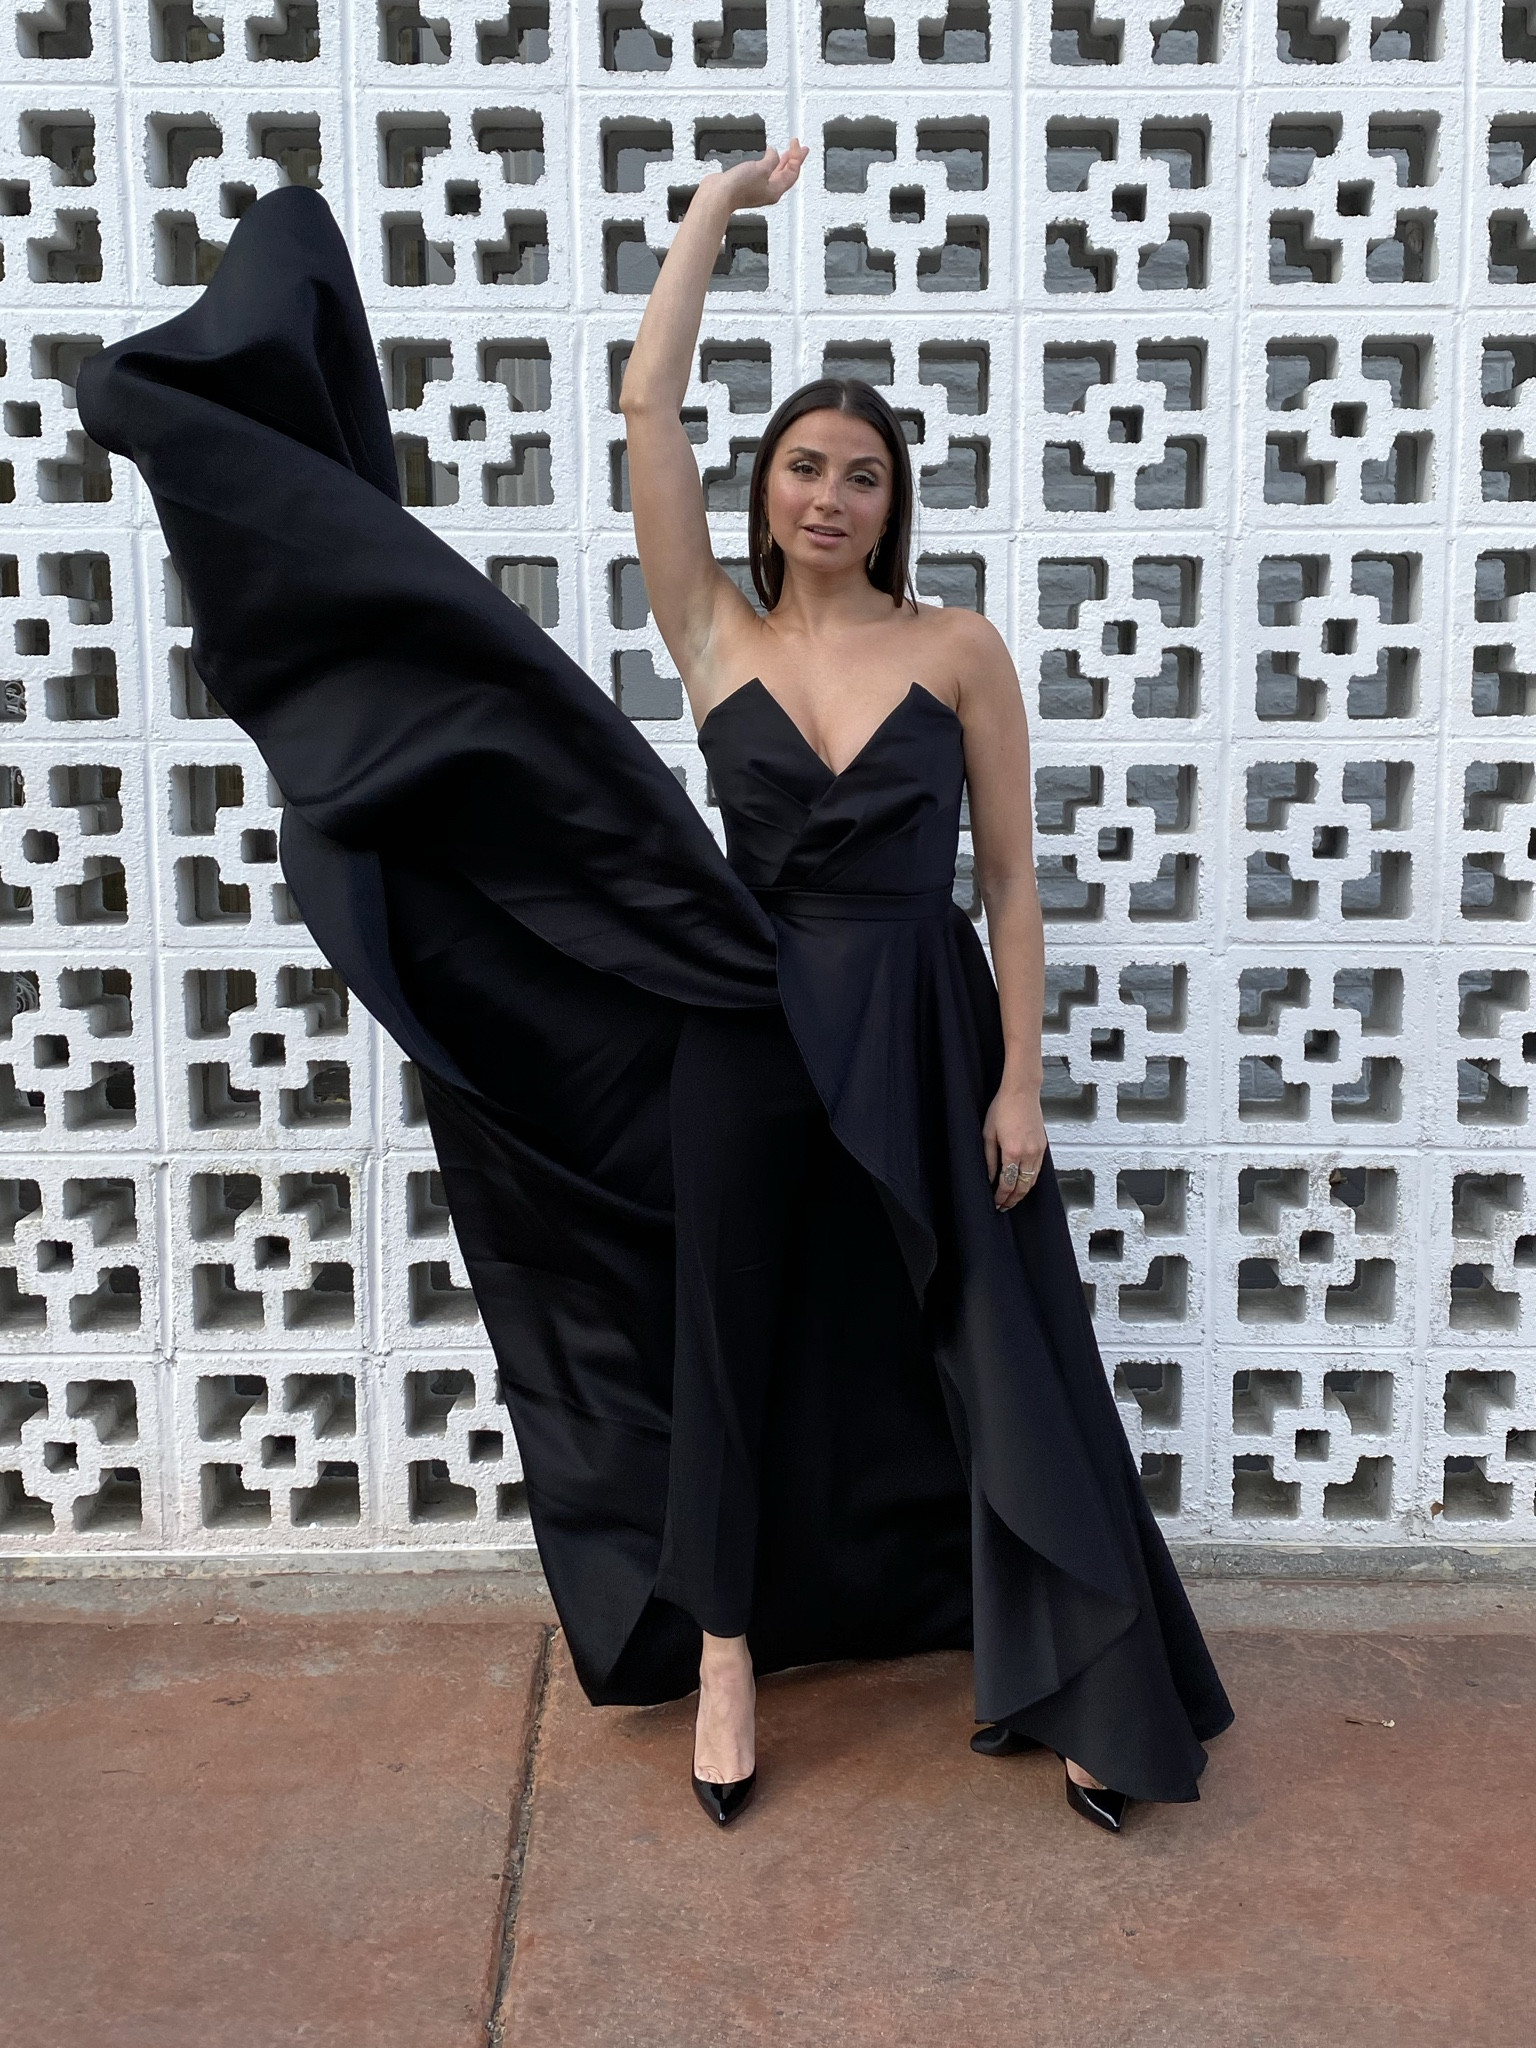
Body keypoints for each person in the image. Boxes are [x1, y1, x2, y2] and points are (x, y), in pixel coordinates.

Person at [78, 153, 1232, 1840]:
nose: (830, 497)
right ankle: (727, 1662)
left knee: (1002, 1351)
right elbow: (645, 408)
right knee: (729, 1347)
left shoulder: (962, 649)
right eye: (804, 468)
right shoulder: (714, 634)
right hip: (745, 1024)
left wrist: (1019, 1081)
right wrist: (709, 217)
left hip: (923, 1028)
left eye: (862, 476)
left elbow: (1008, 884)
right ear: (765, 492)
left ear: (895, 504)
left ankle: (1084, 1680)